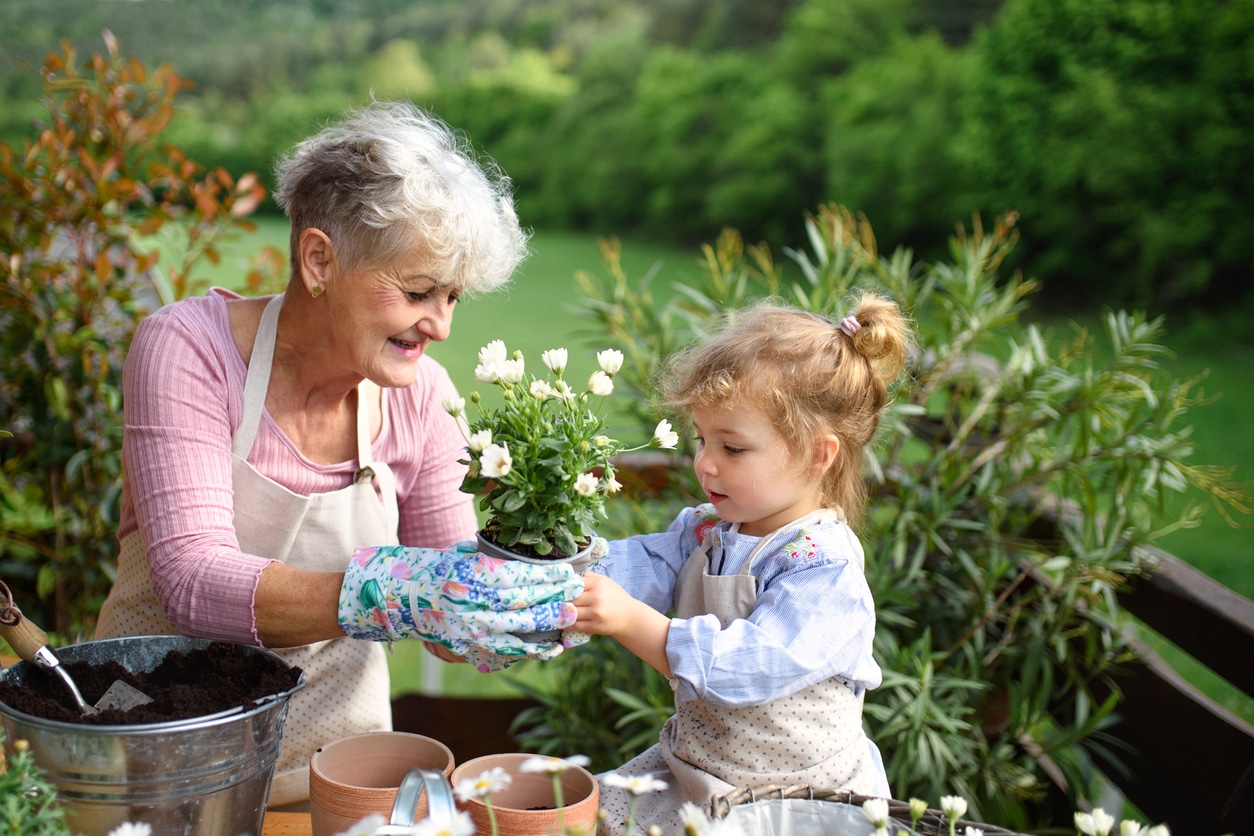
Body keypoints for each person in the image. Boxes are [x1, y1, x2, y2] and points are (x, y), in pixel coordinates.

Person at [94, 101, 582, 807]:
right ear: (319, 259)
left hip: (333, 777)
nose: (440, 325)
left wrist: (517, 609)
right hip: (158, 757)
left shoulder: (422, 397)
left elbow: (448, 614)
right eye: (418, 291)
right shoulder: (189, 350)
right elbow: (192, 583)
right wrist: (393, 592)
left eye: (453, 297)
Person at [573, 296, 910, 835]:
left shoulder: (823, 570)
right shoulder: (708, 530)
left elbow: (753, 665)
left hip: (793, 803)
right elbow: (640, 566)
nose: (704, 462)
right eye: (702, 439)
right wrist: (560, 571)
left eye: (733, 448)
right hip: (700, 773)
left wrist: (633, 622)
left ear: (818, 455)